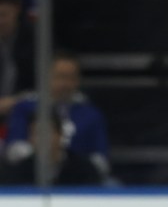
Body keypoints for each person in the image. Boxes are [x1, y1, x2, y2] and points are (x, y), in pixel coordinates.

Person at [5, 50, 111, 182]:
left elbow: (100, 159)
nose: (64, 84)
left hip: (78, 179)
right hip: (30, 178)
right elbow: (13, 150)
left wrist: (68, 159)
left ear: (78, 80)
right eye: (60, 76)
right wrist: (47, 155)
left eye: (71, 78)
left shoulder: (91, 114)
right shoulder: (25, 108)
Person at [0, 107, 102, 185]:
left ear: (60, 134)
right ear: (30, 139)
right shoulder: (19, 172)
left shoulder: (84, 169)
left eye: (47, 132)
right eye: (36, 133)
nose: (42, 139)